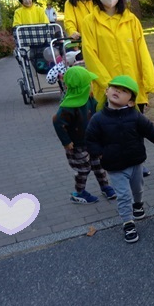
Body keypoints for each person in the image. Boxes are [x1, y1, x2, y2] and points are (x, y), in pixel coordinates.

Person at [85, 75, 154, 243]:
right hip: (114, 166)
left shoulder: (136, 116)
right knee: (123, 195)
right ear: (106, 91)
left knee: (138, 189)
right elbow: (90, 140)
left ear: (130, 101)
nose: (117, 91)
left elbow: (153, 133)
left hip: (135, 162)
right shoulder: (98, 119)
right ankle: (128, 223)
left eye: (123, 91)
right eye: (115, 88)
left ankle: (138, 205)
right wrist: (99, 153)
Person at [81, 0, 154, 177]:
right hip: (109, 91)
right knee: (112, 131)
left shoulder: (131, 20)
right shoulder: (89, 22)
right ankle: (117, 168)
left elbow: (142, 51)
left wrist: (149, 79)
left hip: (132, 88)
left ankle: (137, 164)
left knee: (134, 128)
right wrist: (109, 85)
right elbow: (90, 56)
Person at [52, 67, 116, 204]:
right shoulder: (68, 106)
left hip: (92, 141)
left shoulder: (89, 99)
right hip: (77, 145)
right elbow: (57, 122)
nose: (91, 85)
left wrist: (107, 99)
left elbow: (99, 110)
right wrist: (66, 142)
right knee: (83, 169)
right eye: (89, 83)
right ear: (82, 87)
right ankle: (79, 192)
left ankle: (105, 186)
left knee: (99, 165)